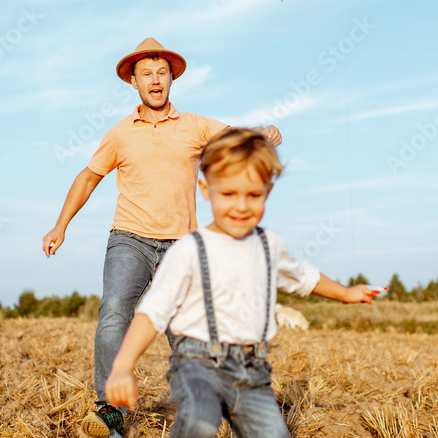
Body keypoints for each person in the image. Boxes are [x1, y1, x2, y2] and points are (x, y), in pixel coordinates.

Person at [42, 39, 281, 438]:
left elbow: (234, 136)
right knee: (117, 308)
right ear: (133, 82)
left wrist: (263, 133)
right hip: (130, 238)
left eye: (161, 73)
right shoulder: (121, 133)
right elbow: (88, 178)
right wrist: (60, 225)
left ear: (171, 78)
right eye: (146, 74)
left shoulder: (194, 126)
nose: (155, 80)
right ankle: (107, 408)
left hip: (181, 246)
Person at [104, 127, 382, 438]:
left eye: (253, 195)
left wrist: (345, 293)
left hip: (252, 373)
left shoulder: (269, 245)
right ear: (206, 189)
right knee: (200, 419)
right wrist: (122, 367)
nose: (241, 206)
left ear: (268, 191)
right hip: (197, 365)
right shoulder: (188, 250)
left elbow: (303, 277)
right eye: (228, 194)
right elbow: (152, 312)